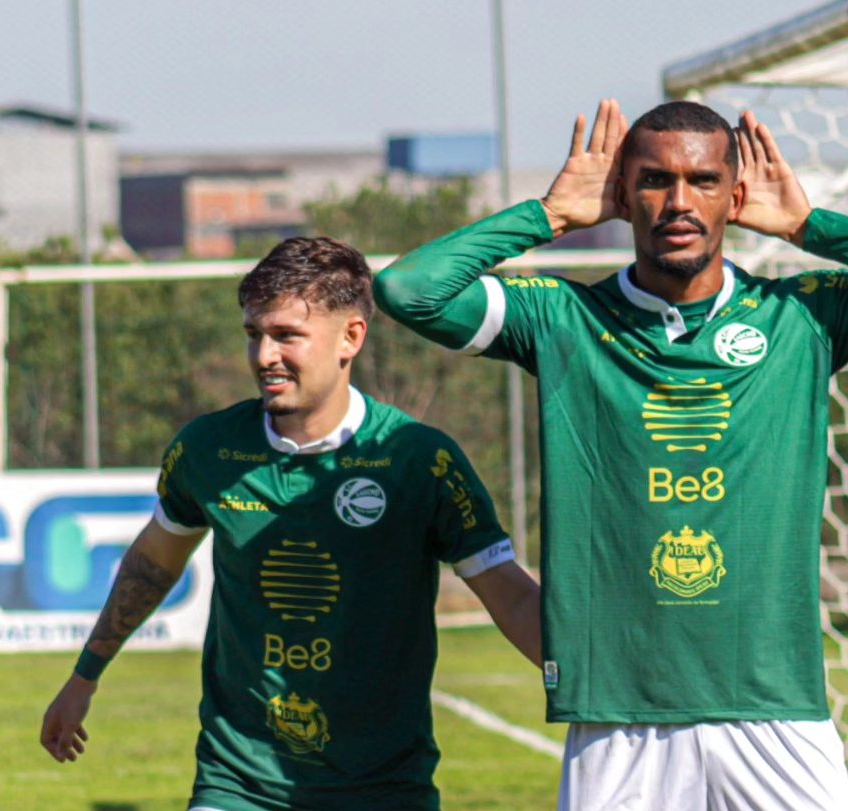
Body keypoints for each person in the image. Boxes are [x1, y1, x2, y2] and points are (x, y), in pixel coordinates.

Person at [375, 99, 848, 810]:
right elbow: (408, 289)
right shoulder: (563, 318)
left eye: (702, 181)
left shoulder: (801, 317)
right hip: (619, 715)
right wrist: (548, 216)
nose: (678, 202)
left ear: (735, 195)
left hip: (775, 708)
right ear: (622, 193)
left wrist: (808, 225)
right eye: (654, 180)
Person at [40, 237, 541, 811]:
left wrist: (593, 690)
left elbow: (511, 596)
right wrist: (85, 675)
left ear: (351, 337)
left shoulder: (418, 459)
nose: (264, 356)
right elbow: (152, 565)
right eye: (254, 334)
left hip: (382, 789)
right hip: (240, 784)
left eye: (286, 335)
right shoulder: (208, 450)